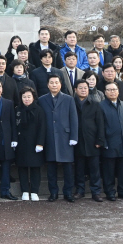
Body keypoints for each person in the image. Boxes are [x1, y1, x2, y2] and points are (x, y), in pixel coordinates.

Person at [38, 74, 78, 202]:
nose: (54, 85)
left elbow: (74, 118)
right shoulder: (42, 99)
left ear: (60, 84)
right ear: (47, 85)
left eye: (56, 82)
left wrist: (74, 136)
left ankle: (68, 192)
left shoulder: (69, 99)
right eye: (51, 83)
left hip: (65, 137)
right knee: (51, 168)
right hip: (49, 136)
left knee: (67, 168)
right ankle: (53, 192)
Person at [73, 78, 105, 202]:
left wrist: (99, 140)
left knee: (94, 169)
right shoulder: (72, 103)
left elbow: (100, 124)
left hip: (93, 141)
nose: (83, 90)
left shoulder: (95, 104)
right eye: (80, 88)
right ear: (75, 90)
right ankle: (79, 190)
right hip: (77, 141)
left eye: (85, 88)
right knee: (79, 168)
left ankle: (96, 192)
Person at [100, 82, 123, 201]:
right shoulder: (101, 106)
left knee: (122, 170)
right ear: (105, 92)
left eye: (114, 89)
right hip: (109, 142)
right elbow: (100, 126)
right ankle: (110, 192)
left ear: (118, 91)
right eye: (109, 90)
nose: (112, 92)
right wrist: (103, 141)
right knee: (109, 170)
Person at [15, 87, 46, 201]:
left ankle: (34, 191)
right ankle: (24, 191)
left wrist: (40, 143)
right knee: (22, 168)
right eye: (24, 97)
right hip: (21, 144)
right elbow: (14, 126)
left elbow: (42, 128)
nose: (26, 99)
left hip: (35, 143)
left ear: (33, 97)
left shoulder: (39, 110)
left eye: (29, 96)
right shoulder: (17, 110)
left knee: (35, 168)